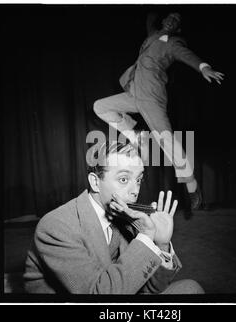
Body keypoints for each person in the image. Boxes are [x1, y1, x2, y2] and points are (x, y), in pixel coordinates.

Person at [24, 141, 204, 294]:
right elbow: (97, 293)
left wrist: (161, 244)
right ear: (95, 182)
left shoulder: (125, 217)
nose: (135, 191)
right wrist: (146, 238)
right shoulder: (56, 226)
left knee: (191, 288)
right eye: (124, 179)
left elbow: (150, 289)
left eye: (139, 180)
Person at [93, 12, 224, 212]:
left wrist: (203, 67)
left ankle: (192, 186)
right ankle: (135, 135)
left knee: (167, 141)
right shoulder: (152, 34)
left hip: (152, 98)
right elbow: (149, 18)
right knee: (100, 106)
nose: (171, 21)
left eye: (176, 21)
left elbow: (187, 56)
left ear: (177, 28)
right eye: (169, 17)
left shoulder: (173, 43)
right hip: (134, 92)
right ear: (163, 21)